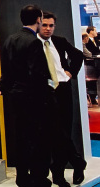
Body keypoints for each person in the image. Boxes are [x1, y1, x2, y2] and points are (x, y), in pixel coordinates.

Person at [0, 5, 53, 187]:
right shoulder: (34, 42)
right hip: (33, 100)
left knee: (21, 139)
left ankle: (22, 177)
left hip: (15, 98)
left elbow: (6, 72)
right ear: (39, 20)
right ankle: (39, 178)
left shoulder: (10, 39)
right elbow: (37, 75)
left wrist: (0, 87)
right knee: (37, 139)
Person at [38, 12, 86, 186]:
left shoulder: (59, 41)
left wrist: (71, 72)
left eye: (51, 25)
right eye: (44, 25)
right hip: (45, 93)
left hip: (63, 91)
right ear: (38, 24)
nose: (48, 29)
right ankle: (78, 163)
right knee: (54, 135)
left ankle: (59, 174)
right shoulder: (33, 44)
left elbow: (79, 55)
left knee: (63, 134)